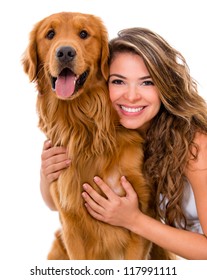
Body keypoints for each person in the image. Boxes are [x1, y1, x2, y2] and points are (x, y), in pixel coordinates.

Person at [40, 27, 207, 259]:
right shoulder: (113, 136)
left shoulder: (196, 145)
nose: (131, 96)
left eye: (147, 83)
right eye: (118, 81)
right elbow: (59, 205)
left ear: (166, 87)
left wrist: (134, 220)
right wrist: (47, 174)